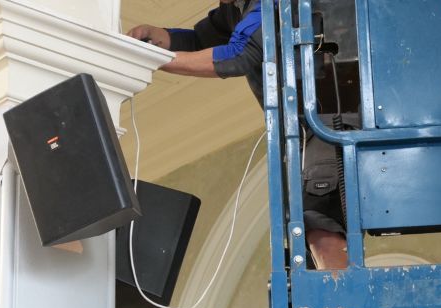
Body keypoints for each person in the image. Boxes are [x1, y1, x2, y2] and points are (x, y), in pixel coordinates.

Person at [127, 0, 349, 270]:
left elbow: (239, 55)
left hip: (330, 120)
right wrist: (162, 37)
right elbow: (200, 39)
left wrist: (157, 59)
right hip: (306, 129)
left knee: (317, 220)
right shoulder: (234, 9)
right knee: (304, 228)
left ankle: (342, 305)